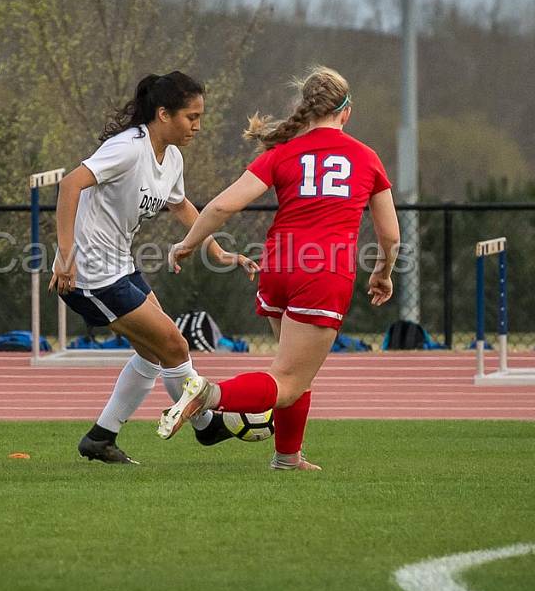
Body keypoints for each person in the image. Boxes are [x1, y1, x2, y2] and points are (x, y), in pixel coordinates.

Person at [158, 66, 399, 471]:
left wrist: (189, 242)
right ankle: (208, 394)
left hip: (278, 266)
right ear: (347, 112)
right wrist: (383, 271)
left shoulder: (282, 152)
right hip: (323, 272)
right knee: (288, 380)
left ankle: (287, 458)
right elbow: (389, 235)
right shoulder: (365, 157)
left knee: (293, 372)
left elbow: (221, 205)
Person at [51, 71, 258, 465]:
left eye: (200, 117)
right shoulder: (128, 148)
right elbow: (69, 184)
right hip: (91, 276)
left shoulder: (173, 158)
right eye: (190, 117)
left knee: (153, 354)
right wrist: (65, 256)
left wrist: (212, 250)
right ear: (163, 114)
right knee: (175, 345)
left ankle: (101, 437)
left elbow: (180, 206)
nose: (197, 126)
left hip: (119, 268)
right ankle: (205, 426)